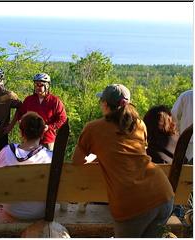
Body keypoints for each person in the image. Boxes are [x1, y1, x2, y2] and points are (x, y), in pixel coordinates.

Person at [72, 84, 174, 237]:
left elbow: (77, 161)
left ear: (105, 104)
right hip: (163, 194)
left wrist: (98, 158)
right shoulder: (139, 124)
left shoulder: (93, 128)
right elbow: (133, 154)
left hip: (132, 204)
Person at [0, 111, 52, 220]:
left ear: (21, 132)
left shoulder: (5, 152)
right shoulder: (50, 157)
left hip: (11, 209)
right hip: (39, 212)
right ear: (42, 133)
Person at [17, 73, 67, 151]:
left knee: (47, 161)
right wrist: (21, 122)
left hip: (47, 139)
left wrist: (49, 127)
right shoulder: (29, 100)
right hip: (30, 140)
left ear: (47, 86)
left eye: (41, 85)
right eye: (36, 85)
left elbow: (63, 119)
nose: (38, 87)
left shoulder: (55, 101)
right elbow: (20, 114)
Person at [171, 89, 193, 164]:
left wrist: (178, 133)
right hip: (185, 143)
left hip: (185, 141)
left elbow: (173, 116)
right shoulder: (186, 95)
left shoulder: (186, 95)